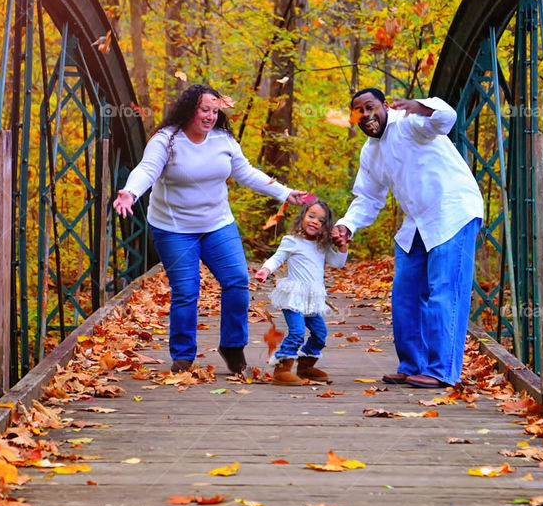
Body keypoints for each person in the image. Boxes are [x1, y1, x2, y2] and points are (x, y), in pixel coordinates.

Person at [113, 84, 308, 375]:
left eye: (215, 111)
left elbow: (246, 173)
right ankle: (183, 357)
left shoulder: (223, 141)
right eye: (205, 110)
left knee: (237, 281)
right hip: (173, 228)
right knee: (186, 290)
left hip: (217, 225)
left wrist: (284, 192)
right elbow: (147, 170)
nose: (210, 116)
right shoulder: (166, 140)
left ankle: (232, 346)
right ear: (190, 109)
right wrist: (130, 192)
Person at [331, 88, 483, 389]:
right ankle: (413, 364)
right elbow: (368, 198)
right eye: (358, 111)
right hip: (417, 223)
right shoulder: (370, 152)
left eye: (370, 106)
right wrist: (347, 225)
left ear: (386, 106)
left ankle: (442, 371)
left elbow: (446, 118)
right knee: (404, 294)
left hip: (453, 212)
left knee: (444, 292)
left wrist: (422, 107)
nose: (366, 115)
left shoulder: (409, 122)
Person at [254, 199, 347, 385]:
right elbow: (278, 257)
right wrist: (266, 269)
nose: (314, 221)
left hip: (312, 299)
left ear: (326, 226)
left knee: (320, 333)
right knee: (296, 331)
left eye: (320, 220)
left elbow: (338, 263)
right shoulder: (292, 241)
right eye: (311, 216)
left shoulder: (322, 246)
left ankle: (305, 367)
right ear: (302, 217)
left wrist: (343, 245)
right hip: (294, 296)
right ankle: (282, 370)